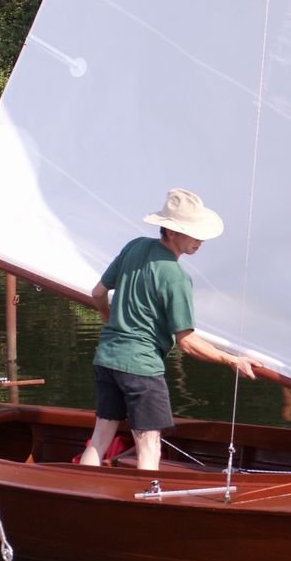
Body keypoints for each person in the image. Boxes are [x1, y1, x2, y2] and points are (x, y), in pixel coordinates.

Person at [79, 188, 261, 470]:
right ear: (172, 232)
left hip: (107, 359)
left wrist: (109, 320)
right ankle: (147, 508)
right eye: (193, 233)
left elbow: (97, 293)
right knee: (149, 442)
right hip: (141, 368)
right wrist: (232, 359)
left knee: (100, 436)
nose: (200, 240)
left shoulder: (134, 246)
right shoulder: (176, 278)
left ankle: (83, 493)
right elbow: (186, 342)